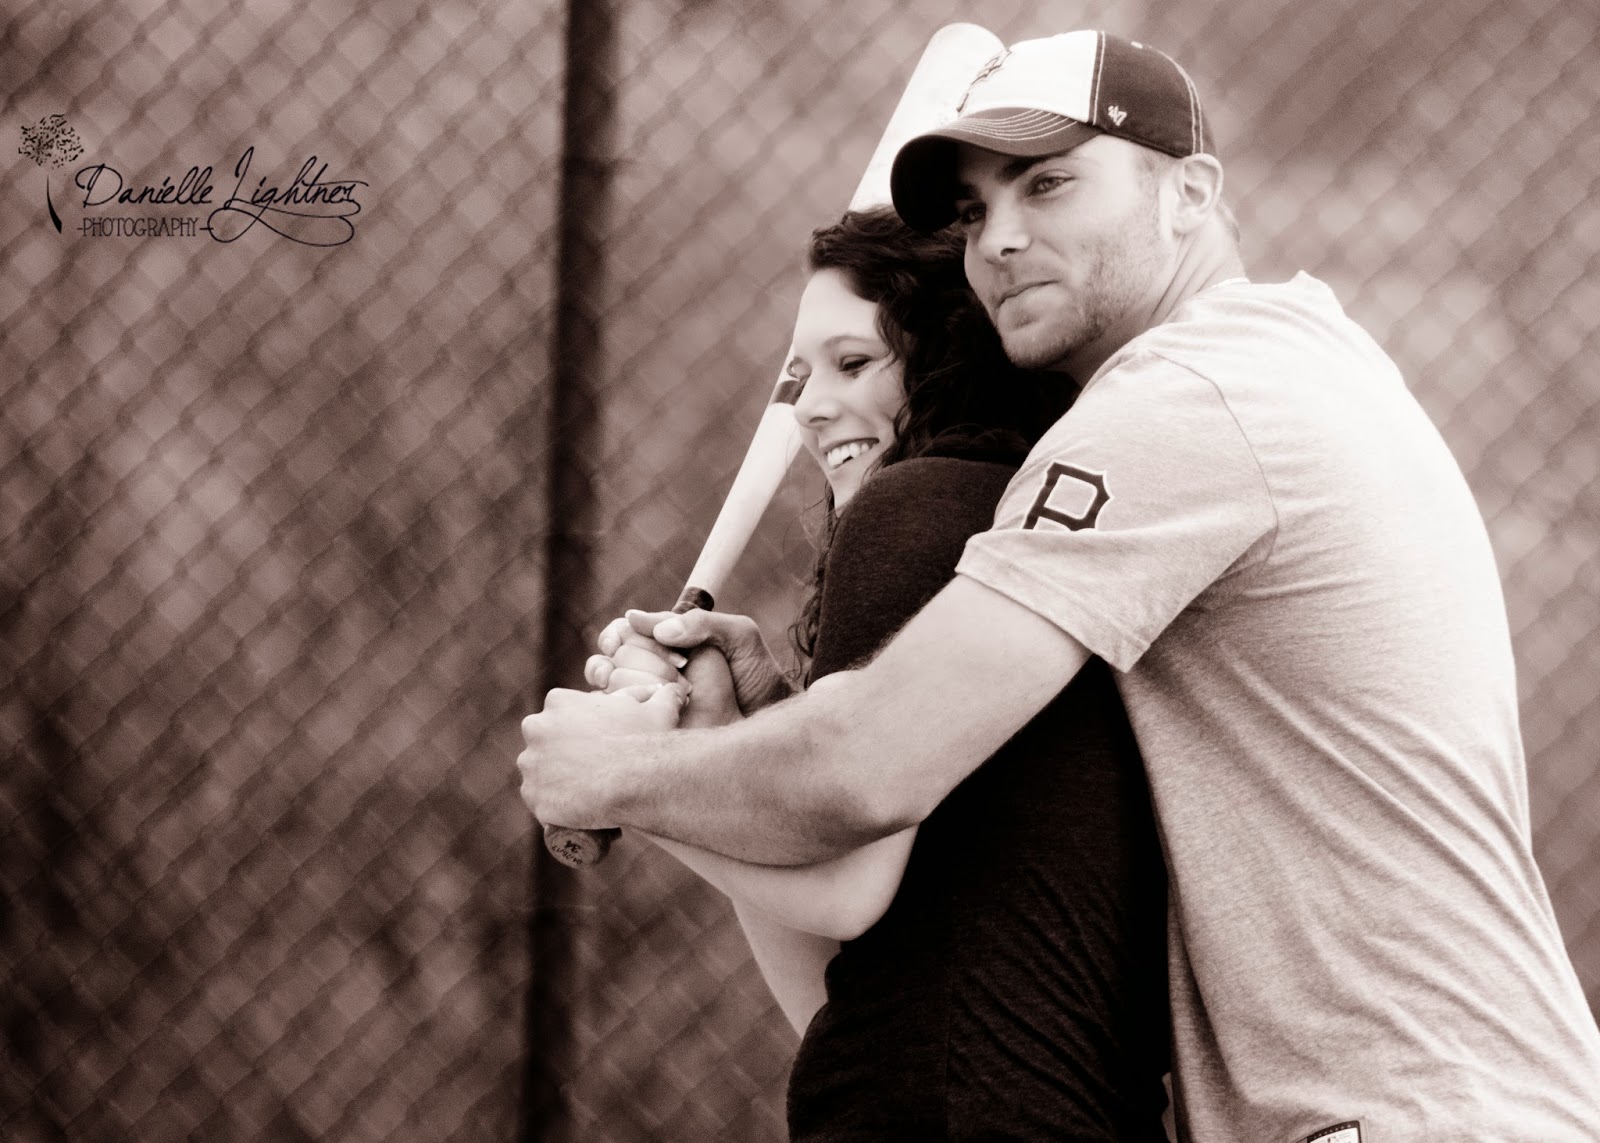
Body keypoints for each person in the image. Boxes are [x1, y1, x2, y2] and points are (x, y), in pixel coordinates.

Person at [520, 29, 1600, 1142]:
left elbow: (867, 767)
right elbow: (904, 931)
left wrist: (619, 771)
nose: (1002, 239)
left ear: (1191, 191)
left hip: (1411, 1113)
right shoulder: (1299, 359)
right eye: (977, 211)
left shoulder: (1186, 398)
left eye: (1049, 184)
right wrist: (731, 738)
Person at [587, 206, 1172, 1140]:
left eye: (854, 363)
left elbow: (843, 887)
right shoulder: (1006, 540)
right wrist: (717, 737)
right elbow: (841, 984)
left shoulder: (920, 504)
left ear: (946, 359)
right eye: (800, 372)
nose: (810, 406)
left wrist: (624, 776)